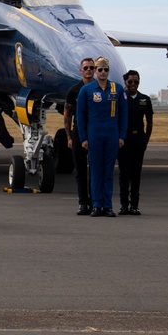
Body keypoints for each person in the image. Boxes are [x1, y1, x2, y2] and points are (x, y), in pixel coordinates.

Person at [76, 56, 127, 217]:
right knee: (96, 171)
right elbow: (80, 115)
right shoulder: (86, 90)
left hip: (112, 133)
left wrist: (122, 136)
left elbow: (123, 115)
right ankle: (97, 205)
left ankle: (108, 205)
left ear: (108, 71)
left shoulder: (117, 89)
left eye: (105, 70)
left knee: (108, 171)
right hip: (94, 133)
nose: (102, 72)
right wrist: (83, 138)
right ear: (95, 72)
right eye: (99, 70)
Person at [63, 57, 96, 215]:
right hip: (78, 132)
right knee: (80, 171)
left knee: (95, 170)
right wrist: (69, 137)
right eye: (86, 68)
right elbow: (67, 114)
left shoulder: (100, 89)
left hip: (95, 132)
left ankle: (94, 202)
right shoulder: (74, 90)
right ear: (80, 70)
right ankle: (83, 203)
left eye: (91, 67)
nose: (89, 70)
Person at [117, 69, 153, 215]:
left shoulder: (145, 99)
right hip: (124, 141)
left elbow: (149, 121)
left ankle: (135, 205)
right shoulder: (120, 98)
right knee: (124, 173)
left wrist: (146, 140)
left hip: (138, 140)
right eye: (130, 81)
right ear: (125, 82)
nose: (133, 84)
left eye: (136, 82)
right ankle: (124, 205)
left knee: (136, 174)